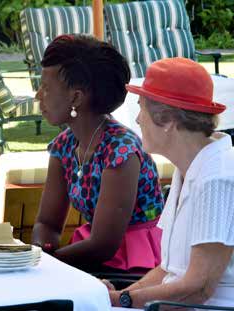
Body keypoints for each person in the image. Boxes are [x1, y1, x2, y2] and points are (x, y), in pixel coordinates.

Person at [105, 57, 234, 308]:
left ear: (168, 120)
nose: (137, 120)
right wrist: (121, 297)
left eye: (142, 108)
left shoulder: (219, 178)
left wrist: (121, 301)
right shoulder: (192, 168)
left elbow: (199, 288)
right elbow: (170, 271)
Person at [32, 35, 164, 273]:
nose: (38, 95)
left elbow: (104, 245)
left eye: (46, 87)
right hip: (89, 254)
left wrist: (45, 265)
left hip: (136, 263)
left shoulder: (121, 152)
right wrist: (41, 248)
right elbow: (47, 223)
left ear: (76, 97)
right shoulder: (64, 146)